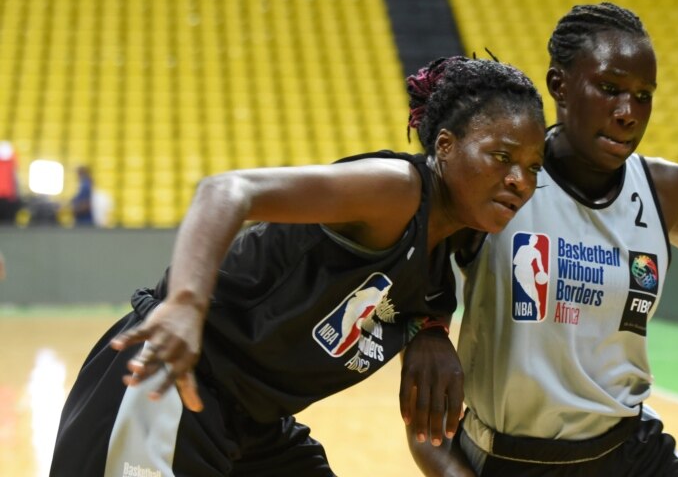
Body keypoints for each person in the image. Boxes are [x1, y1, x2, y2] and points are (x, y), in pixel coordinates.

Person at [50, 56, 547, 477]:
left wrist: (430, 331)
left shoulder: (443, 264)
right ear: (444, 147)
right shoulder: (395, 191)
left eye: (532, 167)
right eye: (500, 156)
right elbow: (226, 191)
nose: (519, 181)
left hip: (254, 423)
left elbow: (428, 424)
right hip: (174, 380)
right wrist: (184, 303)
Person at [407, 3, 678, 476]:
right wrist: (425, 329)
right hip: (512, 459)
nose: (628, 113)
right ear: (559, 86)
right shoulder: (499, 182)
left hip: (632, 451)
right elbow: (413, 268)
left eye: (643, 95)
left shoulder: (666, 190)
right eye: (609, 89)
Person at [0, 140, 20, 225]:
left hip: (8, 195)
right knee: (8, 222)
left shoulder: (11, 162)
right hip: (9, 195)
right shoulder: (12, 161)